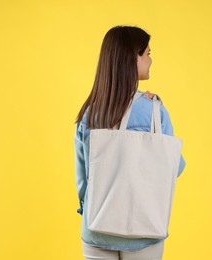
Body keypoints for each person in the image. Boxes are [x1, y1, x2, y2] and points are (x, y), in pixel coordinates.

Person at [74, 25, 186, 260]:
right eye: (147, 53)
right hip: (144, 230)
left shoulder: (89, 113)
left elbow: (83, 178)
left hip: (97, 228)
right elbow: (175, 166)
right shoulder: (154, 110)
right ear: (132, 59)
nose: (150, 60)